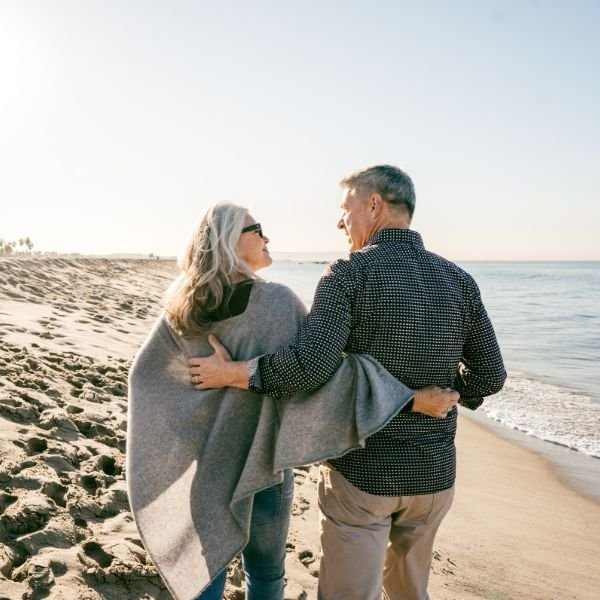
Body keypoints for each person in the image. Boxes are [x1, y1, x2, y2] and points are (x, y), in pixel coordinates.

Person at [188, 165, 507, 600]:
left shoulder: (349, 273)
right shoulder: (459, 280)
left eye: (346, 208)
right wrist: (452, 395)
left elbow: (309, 368)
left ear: (373, 205)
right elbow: (491, 375)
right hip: (434, 475)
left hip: (364, 476)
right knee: (411, 593)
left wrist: (235, 373)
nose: (341, 221)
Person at [127, 201, 458, 600]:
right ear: (229, 241)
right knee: (265, 574)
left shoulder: (182, 307)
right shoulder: (277, 303)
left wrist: (196, 418)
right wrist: (410, 400)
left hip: (208, 464)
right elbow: (326, 376)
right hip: (264, 462)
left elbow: (145, 379)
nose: (267, 237)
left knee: (205, 571)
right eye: (256, 229)